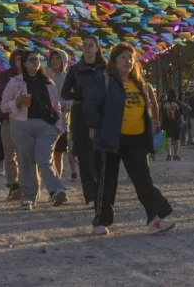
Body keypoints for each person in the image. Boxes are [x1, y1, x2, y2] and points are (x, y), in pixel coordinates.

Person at [86, 43, 174, 236]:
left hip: (136, 141)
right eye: (123, 57)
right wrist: (101, 126)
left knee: (143, 181)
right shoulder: (105, 81)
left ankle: (155, 219)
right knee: (107, 182)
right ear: (114, 61)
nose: (128, 61)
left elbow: (146, 111)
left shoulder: (140, 84)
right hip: (111, 140)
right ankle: (100, 222)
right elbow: (90, 106)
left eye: (130, 57)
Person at [1, 50, 67, 210]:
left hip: (46, 126)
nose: (35, 62)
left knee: (44, 158)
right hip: (21, 124)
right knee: (26, 161)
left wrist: (58, 126)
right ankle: (28, 197)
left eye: (38, 59)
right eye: (31, 60)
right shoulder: (15, 82)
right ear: (24, 63)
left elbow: (56, 106)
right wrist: (15, 103)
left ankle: (56, 190)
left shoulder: (48, 82)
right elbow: (3, 106)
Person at [61, 35, 107, 206]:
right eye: (84, 45)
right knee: (85, 156)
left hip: (101, 114)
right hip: (81, 114)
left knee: (101, 156)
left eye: (90, 45)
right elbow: (65, 92)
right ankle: (90, 196)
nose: (87, 48)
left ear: (97, 48)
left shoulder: (105, 68)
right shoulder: (75, 70)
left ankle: (102, 193)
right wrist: (80, 95)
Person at [0, 49, 24, 199]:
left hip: (27, 120)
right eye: (18, 59)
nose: (20, 62)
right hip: (8, 119)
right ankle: (13, 186)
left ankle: (27, 186)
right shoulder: (5, 75)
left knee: (26, 155)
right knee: (10, 154)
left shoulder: (32, 75)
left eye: (22, 59)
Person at [47, 49, 77, 180]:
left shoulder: (69, 78)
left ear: (64, 60)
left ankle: (57, 182)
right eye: (52, 58)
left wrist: (61, 105)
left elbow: (73, 99)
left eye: (57, 58)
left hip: (62, 121)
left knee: (58, 153)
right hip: (45, 120)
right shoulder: (45, 77)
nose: (54, 61)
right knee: (46, 153)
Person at [161, 89, 183, 160]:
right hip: (176, 122)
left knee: (168, 138)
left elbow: (161, 113)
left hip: (167, 123)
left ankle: (169, 155)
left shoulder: (164, 103)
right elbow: (181, 113)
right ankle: (176, 155)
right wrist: (182, 121)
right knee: (177, 139)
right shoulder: (178, 103)